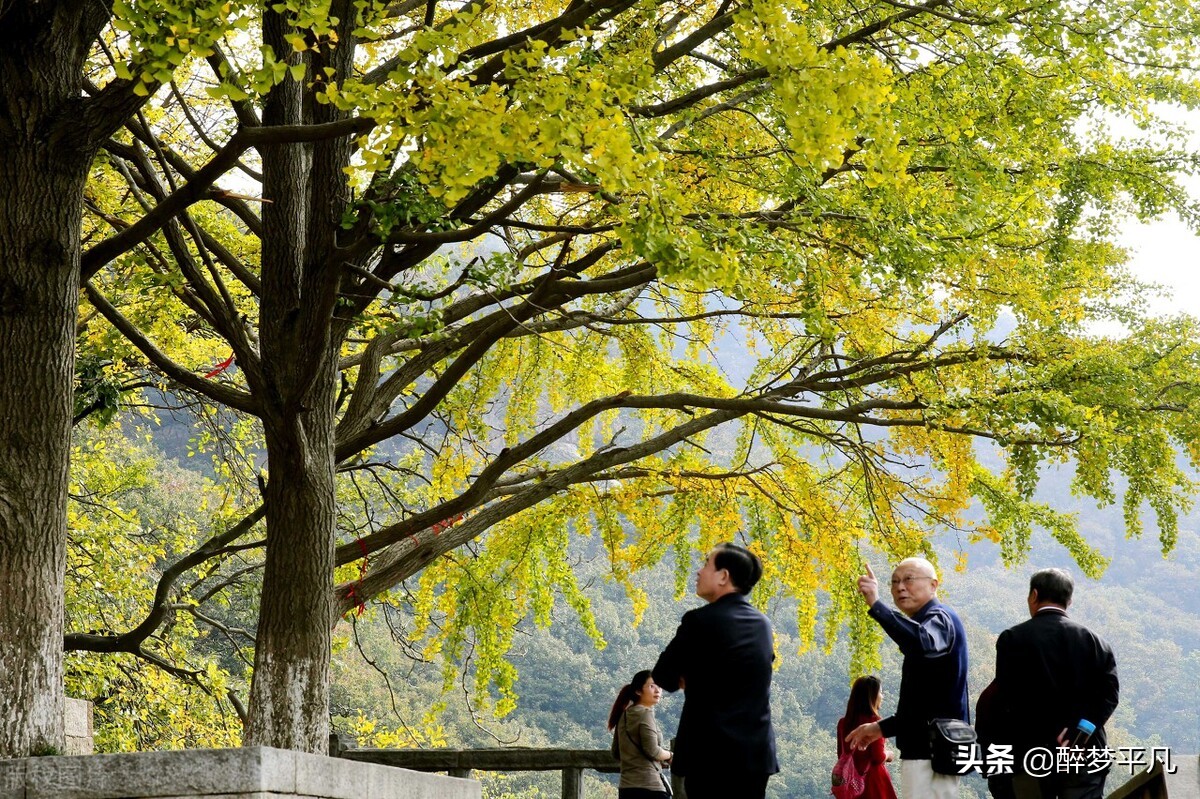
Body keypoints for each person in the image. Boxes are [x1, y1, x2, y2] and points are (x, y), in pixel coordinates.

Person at [652, 542, 779, 799]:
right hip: (755, 753)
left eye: (706, 564)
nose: (699, 572)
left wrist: (693, 676)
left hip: (709, 754)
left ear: (723, 576)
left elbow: (663, 676)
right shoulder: (763, 624)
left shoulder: (699, 621)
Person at [845, 557, 969, 799]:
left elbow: (920, 642)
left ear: (934, 585)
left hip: (934, 752)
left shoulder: (940, 619)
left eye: (909, 580)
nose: (900, 587)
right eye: (894, 582)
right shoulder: (928, 622)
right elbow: (924, 703)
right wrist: (881, 728)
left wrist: (876, 604)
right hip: (929, 749)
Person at [994, 568, 1118, 799]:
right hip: (1084, 752)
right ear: (1069, 600)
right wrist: (1079, 733)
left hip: (1031, 752)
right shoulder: (1096, 642)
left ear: (1034, 595)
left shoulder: (1013, 639)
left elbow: (1007, 699)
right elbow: (1109, 696)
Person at [608, 670, 673, 798]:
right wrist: (670, 755)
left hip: (626, 788)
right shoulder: (645, 713)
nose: (657, 690)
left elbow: (616, 752)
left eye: (659, 686)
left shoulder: (624, 715)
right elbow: (653, 751)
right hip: (649, 787)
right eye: (652, 686)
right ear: (638, 691)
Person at [836, 675, 898, 799]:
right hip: (873, 782)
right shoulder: (874, 722)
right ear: (872, 696)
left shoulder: (843, 723)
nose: (882, 696)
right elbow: (877, 757)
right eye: (880, 692)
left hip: (851, 783)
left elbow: (841, 755)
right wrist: (889, 754)